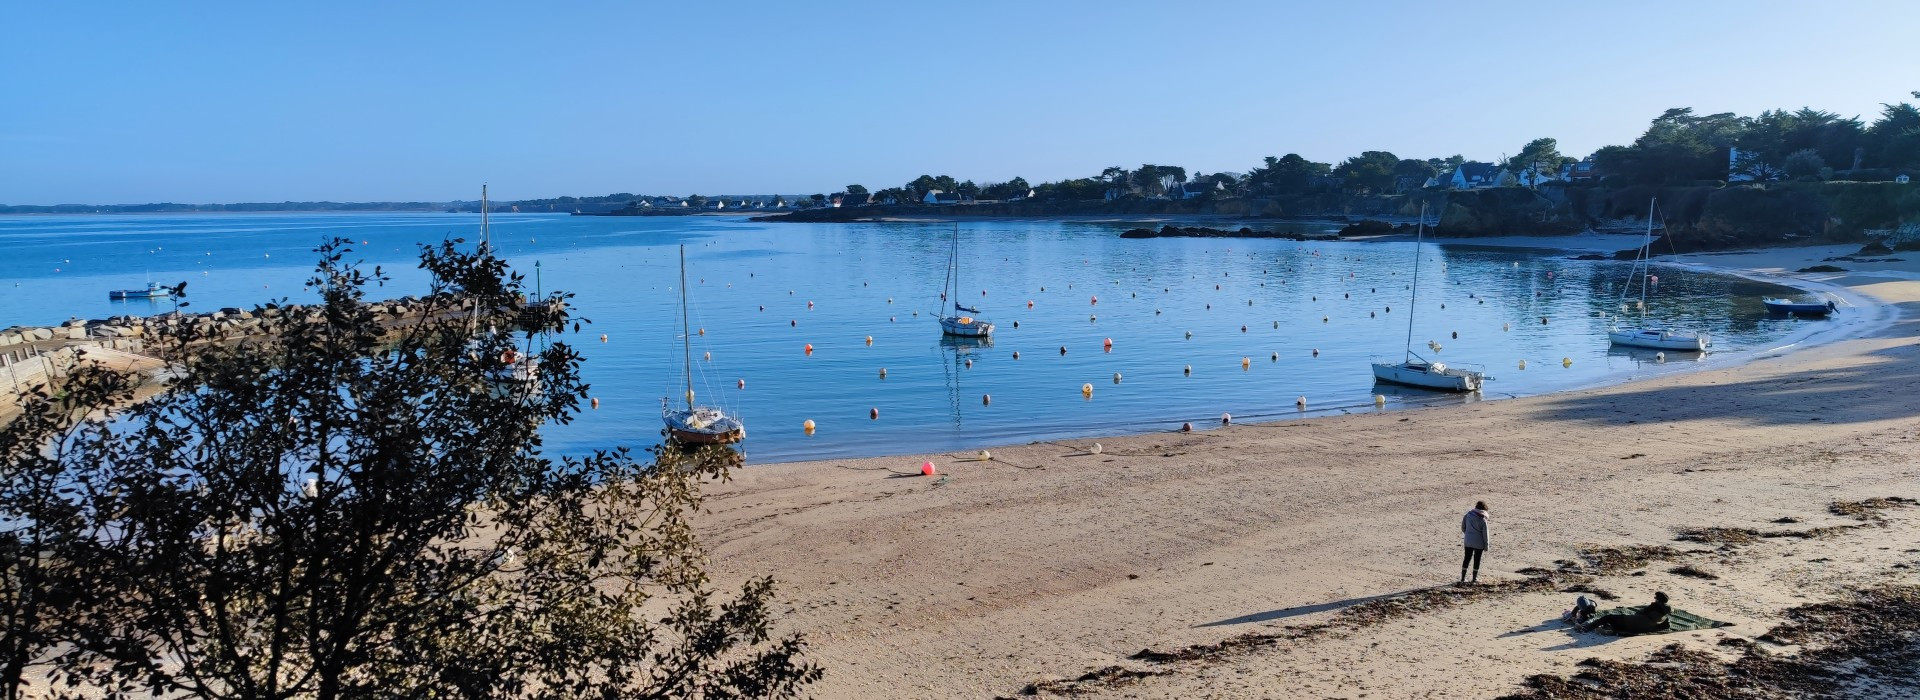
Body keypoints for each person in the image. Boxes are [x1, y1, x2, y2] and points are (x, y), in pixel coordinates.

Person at [1580, 591, 1672, 635]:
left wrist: (1646, 608)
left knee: (1608, 617)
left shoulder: (1654, 606)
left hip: (1633, 623)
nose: (1654, 599)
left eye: (1656, 598)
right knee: (1615, 623)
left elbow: (1640, 613)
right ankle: (1610, 630)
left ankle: (1586, 628)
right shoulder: (1667, 611)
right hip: (1641, 627)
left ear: (1658, 599)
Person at [1460, 501, 1489, 584]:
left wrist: (1468, 534)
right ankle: (1474, 578)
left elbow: (1463, 527)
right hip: (1479, 542)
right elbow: (1485, 534)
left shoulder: (1468, 515)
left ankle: (1462, 578)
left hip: (1468, 541)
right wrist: (1486, 545)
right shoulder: (1483, 519)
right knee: (1477, 559)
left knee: (1467, 558)